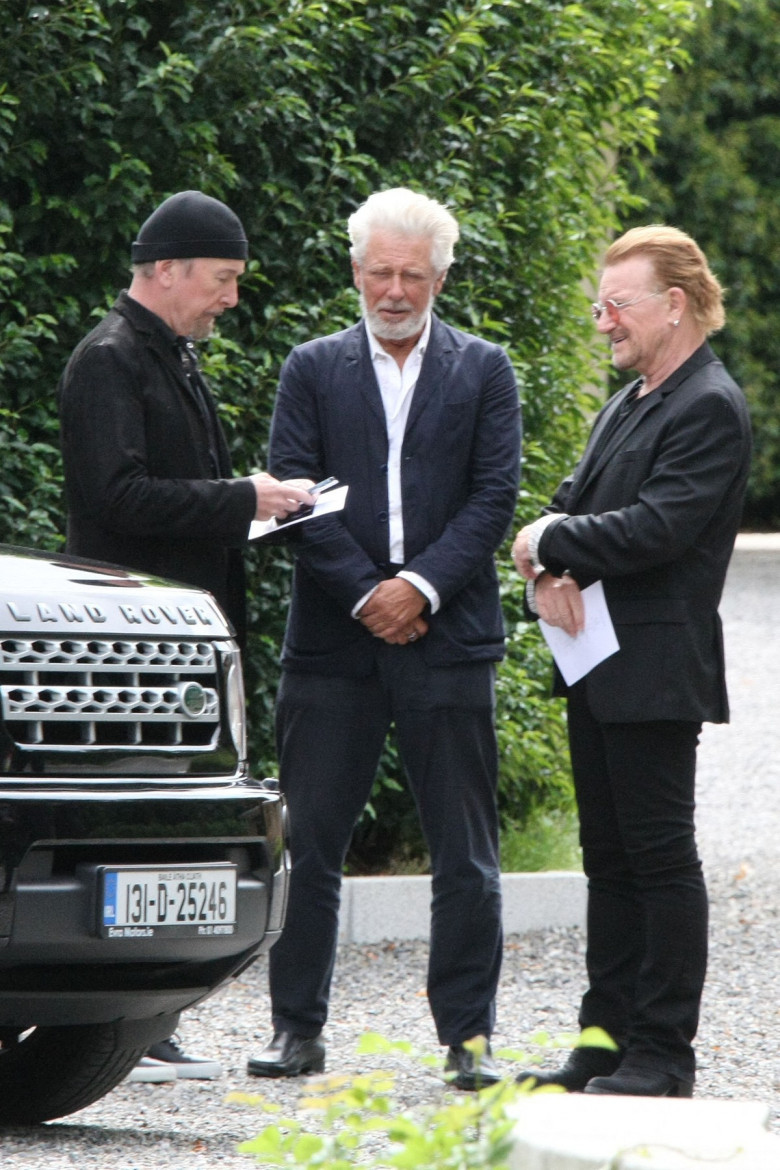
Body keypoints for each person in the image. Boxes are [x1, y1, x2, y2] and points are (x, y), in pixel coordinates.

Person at [246, 187, 521, 1090]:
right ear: (354, 271)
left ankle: (468, 1041)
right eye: (379, 271)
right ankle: (296, 1031)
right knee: (311, 843)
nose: (394, 289)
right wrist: (370, 592)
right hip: (335, 637)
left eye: (412, 273)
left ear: (443, 275)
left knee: (466, 851)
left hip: (448, 637)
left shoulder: (485, 371)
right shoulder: (311, 368)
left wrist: (420, 588)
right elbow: (292, 494)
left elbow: (492, 499)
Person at [58, 190, 314, 1083]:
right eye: (223, 279)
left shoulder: (169, 356)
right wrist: (244, 497)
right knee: (140, 829)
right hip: (132, 650)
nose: (232, 298)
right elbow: (116, 497)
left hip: (179, 645)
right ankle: (134, 1026)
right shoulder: (109, 359)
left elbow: (170, 494)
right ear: (166, 269)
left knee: (173, 831)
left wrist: (254, 503)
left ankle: (149, 1023)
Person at [512, 225, 751, 1098]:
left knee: (658, 860)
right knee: (607, 861)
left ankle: (662, 1055)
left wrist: (545, 541)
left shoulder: (708, 405)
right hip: (596, 664)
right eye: (598, 305)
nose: (602, 321)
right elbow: (572, 506)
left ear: (675, 305)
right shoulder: (634, 398)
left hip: (654, 671)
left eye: (618, 304)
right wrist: (543, 570)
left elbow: (656, 527)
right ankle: (604, 1043)